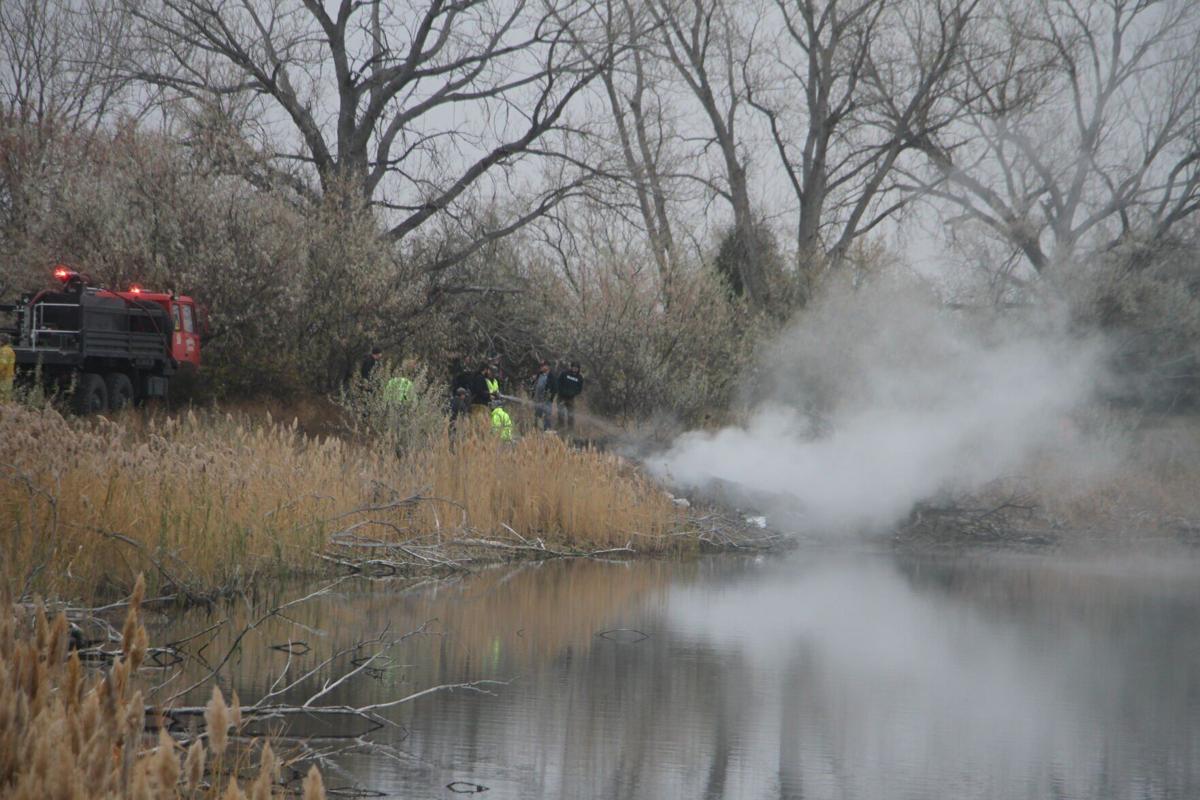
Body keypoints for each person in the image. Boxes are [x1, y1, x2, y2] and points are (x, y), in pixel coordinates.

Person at [556, 361, 584, 430]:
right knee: (561, 413)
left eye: (576, 368)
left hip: (571, 398)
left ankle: (570, 429)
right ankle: (560, 426)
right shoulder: (564, 373)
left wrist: (574, 393)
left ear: (578, 369)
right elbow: (558, 382)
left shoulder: (580, 378)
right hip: (561, 397)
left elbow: (579, 389)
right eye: (574, 367)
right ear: (571, 367)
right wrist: (561, 391)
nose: (575, 369)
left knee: (571, 414)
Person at [530, 360, 554, 431]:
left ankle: (547, 430)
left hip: (546, 400)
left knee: (547, 416)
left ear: (547, 366)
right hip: (538, 399)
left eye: (543, 366)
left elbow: (554, 388)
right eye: (541, 366)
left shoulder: (551, 376)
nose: (541, 367)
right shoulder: (538, 375)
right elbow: (534, 386)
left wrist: (549, 397)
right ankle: (535, 430)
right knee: (537, 415)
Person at [0, 333, 15, 403]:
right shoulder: (11, 350)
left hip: (3, 378)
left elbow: (2, 364)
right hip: (9, 377)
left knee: (1, 398)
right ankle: (7, 412)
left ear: (1, 342)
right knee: (7, 398)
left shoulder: (4, 351)